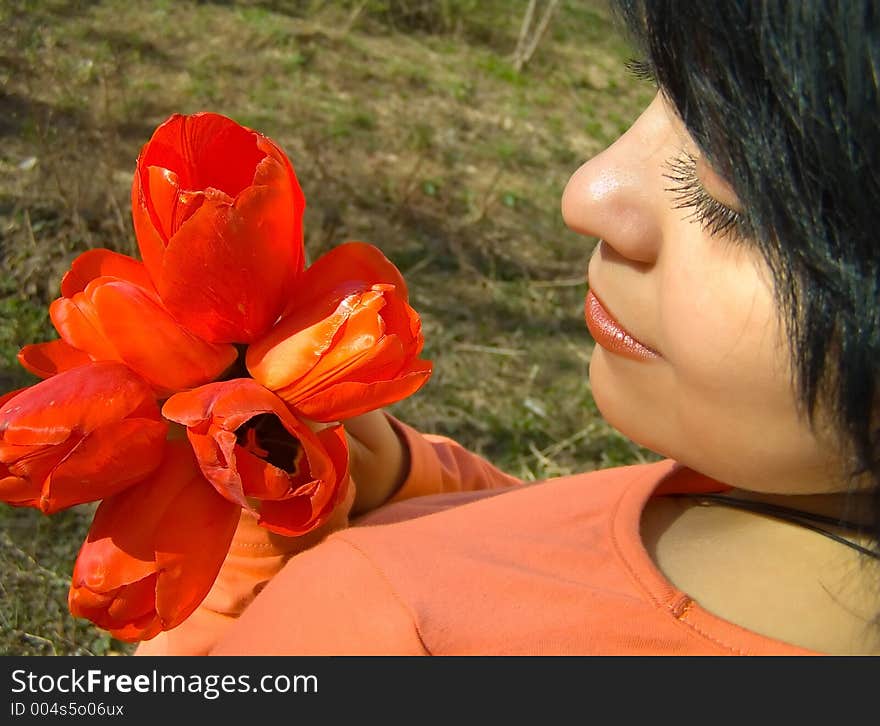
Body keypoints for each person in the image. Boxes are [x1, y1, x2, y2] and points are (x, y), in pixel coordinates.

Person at [135, 0, 880, 655]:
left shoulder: (383, 623)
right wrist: (404, 482)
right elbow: (568, 561)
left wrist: (242, 570)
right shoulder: (791, 486)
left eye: (731, 179)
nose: (586, 192)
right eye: (659, 87)